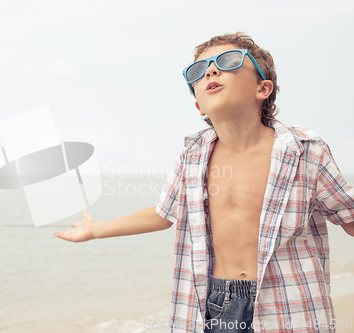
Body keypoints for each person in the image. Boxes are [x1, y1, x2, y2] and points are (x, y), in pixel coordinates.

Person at [54, 32, 354, 333]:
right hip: (214, 304)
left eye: (228, 61)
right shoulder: (193, 156)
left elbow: (349, 216)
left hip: (289, 304)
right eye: (198, 71)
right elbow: (163, 213)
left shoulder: (304, 150)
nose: (211, 70)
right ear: (199, 105)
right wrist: (95, 230)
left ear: (262, 88)